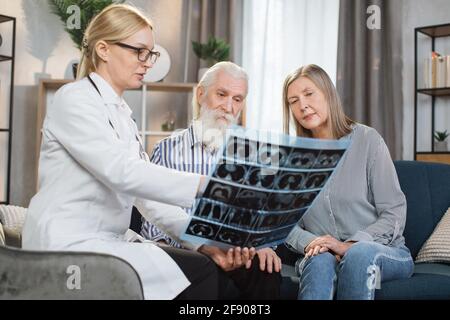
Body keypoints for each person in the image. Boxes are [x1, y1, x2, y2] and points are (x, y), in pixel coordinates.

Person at [22, 4, 256, 300]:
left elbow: (146, 199)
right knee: (202, 275)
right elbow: (123, 173)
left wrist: (202, 242)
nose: (147, 63)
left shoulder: (122, 114)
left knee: (207, 267)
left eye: (150, 54)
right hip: (68, 245)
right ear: (104, 50)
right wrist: (209, 186)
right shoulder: (75, 99)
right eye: (138, 51)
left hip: (105, 242)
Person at [141, 61, 282, 299]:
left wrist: (264, 244)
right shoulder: (167, 149)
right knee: (205, 269)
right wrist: (203, 247)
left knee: (267, 269)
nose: (228, 106)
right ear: (200, 94)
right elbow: (153, 225)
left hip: (238, 254)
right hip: (188, 251)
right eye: (222, 94)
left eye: (237, 99)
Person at [282, 64, 414, 300]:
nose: (302, 105)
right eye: (293, 100)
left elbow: (394, 212)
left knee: (358, 256)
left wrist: (350, 244)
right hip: (322, 254)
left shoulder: (367, 140)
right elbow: (285, 224)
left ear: (328, 93)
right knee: (320, 260)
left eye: (309, 94)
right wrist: (317, 243)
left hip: (385, 253)